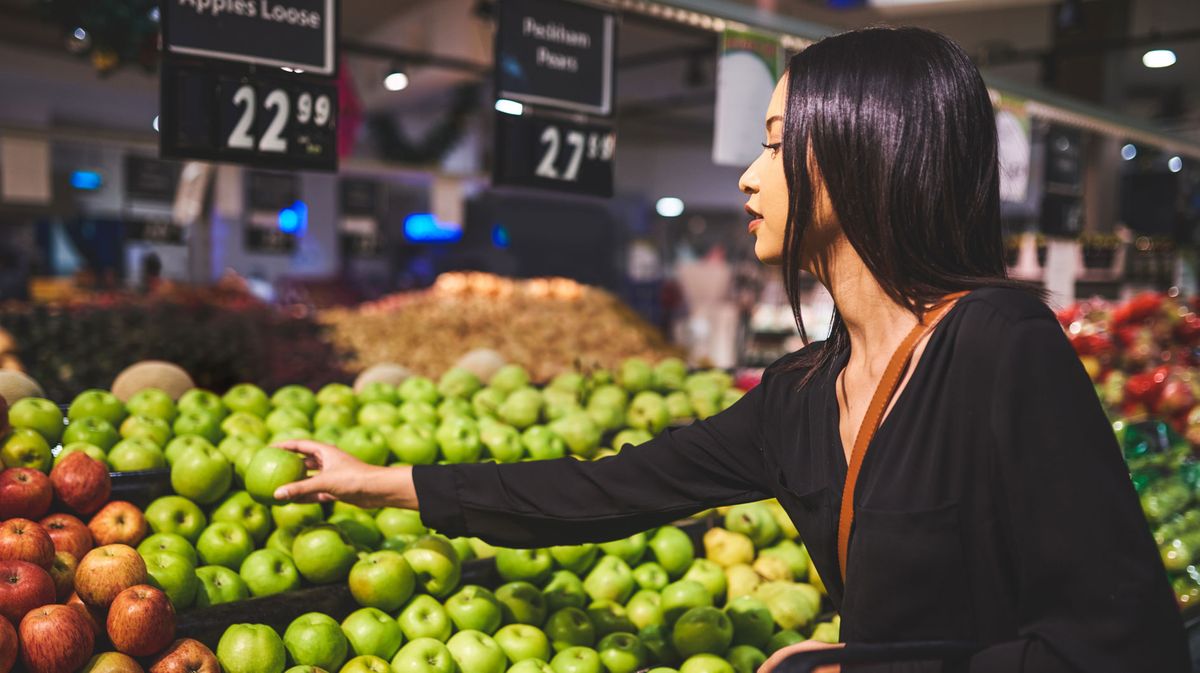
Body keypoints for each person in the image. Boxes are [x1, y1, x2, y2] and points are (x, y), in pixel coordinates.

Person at [273, 27, 1188, 673]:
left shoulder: (1000, 346)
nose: (749, 176)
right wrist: (388, 481)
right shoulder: (800, 395)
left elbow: (1119, 640)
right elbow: (606, 489)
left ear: (865, 153)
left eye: (778, 146)